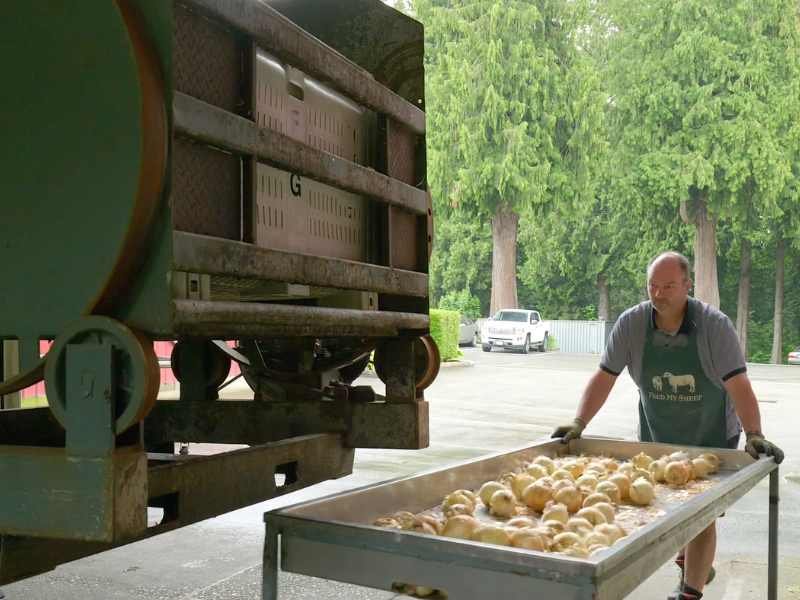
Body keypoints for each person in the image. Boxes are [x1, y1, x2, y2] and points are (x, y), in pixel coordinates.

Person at [551, 251, 784, 600]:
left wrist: (754, 434)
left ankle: (689, 591)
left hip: (711, 435)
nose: (659, 294)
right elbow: (604, 376)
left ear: (687, 285)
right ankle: (693, 562)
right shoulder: (631, 324)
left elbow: (739, 385)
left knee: (701, 514)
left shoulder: (714, 326)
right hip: (658, 434)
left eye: (669, 286)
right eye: (653, 286)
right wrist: (578, 422)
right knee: (667, 504)